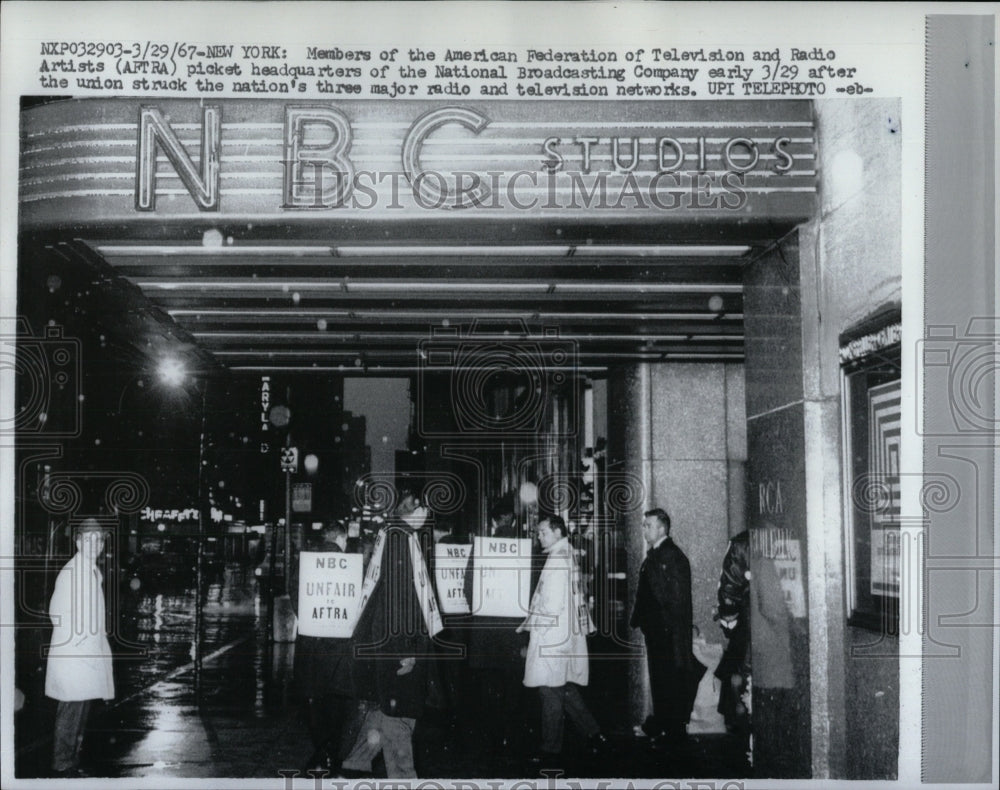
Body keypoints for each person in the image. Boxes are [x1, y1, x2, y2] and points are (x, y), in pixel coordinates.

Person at [340, 487, 441, 778]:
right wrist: (407, 650)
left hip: (386, 638)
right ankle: (403, 779)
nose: (427, 514)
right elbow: (402, 598)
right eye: (423, 508)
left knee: (389, 705)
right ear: (414, 511)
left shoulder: (392, 534)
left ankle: (357, 760)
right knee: (401, 714)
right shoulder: (402, 538)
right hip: (398, 641)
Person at [517, 515, 607, 766]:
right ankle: (594, 733)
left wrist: (535, 638)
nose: (539, 536)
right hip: (565, 637)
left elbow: (551, 606)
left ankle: (550, 750)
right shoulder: (566, 554)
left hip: (553, 640)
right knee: (564, 688)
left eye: (543, 532)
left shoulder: (557, 560)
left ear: (557, 532)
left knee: (550, 692)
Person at [629, 508, 706, 753]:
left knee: (668, 682)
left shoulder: (669, 555)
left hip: (665, 634)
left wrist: (659, 624)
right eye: (643, 525)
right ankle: (665, 729)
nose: (644, 529)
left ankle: (672, 734)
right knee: (664, 681)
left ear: (662, 528)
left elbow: (673, 598)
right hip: (661, 632)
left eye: (648, 525)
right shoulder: (661, 554)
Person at [44, 518, 115, 778]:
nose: (94, 544)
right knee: (72, 710)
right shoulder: (73, 572)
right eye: (88, 539)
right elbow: (57, 612)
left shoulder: (89, 570)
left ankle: (71, 760)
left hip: (86, 655)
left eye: (98, 539)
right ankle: (63, 763)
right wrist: (81, 641)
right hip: (75, 656)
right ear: (77, 542)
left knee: (81, 709)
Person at [290, 520, 362, 773]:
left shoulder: (306, 562)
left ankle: (323, 751)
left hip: (312, 643)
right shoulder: (352, 565)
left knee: (314, 699)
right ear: (341, 539)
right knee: (338, 700)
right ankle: (332, 751)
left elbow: (295, 596)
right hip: (340, 643)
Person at [714, 530, 751, 738]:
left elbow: (728, 587)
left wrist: (730, 621)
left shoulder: (741, 543)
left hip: (746, 623)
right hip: (761, 624)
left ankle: (740, 728)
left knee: (740, 676)